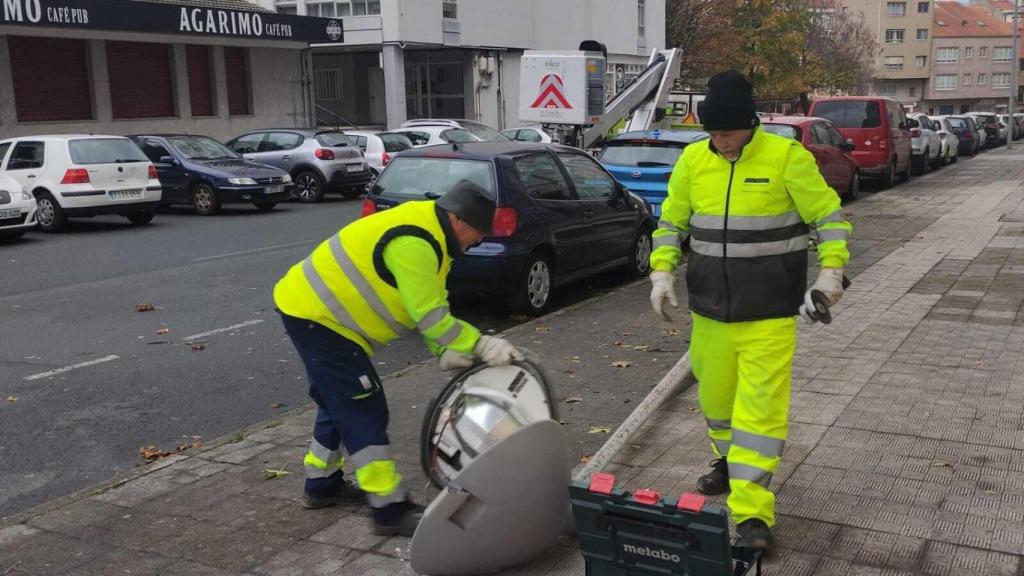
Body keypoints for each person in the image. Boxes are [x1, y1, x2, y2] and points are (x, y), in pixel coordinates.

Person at [648, 70, 851, 551]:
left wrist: (832, 271)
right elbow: (671, 220)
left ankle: (753, 515)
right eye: (713, 133)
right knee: (717, 406)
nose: (721, 141)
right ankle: (724, 461)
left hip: (770, 315)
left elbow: (828, 215)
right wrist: (661, 270)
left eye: (728, 132)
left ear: (751, 123)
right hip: (709, 313)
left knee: (758, 416)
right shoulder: (695, 159)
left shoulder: (786, 157)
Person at [273, 179, 524, 537]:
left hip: (317, 314)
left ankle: (321, 484)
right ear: (457, 219)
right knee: (363, 406)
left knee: (337, 401)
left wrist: (444, 350)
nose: (480, 239)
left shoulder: (434, 235)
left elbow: (431, 304)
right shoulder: (415, 243)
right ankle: (389, 508)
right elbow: (430, 318)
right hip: (318, 318)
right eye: (479, 231)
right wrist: (481, 345)